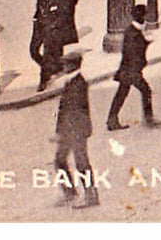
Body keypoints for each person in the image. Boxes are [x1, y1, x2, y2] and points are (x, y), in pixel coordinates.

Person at [55, 51, 99, 208]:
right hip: (68, 130)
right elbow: (64, 110)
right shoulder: (71, 82)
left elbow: (75, 111)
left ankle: (91, 195)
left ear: (72, 65)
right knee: (60, 160)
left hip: (77, 130)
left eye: (65, 64)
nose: (63, 67)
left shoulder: (78, 84)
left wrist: (68, 132)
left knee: (81, 163)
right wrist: (59, 131)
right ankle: (70, 193)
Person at [107, 4, 158, 130]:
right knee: (145, 91)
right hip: (131, 71)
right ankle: (148, 119)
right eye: (144, 15)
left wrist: (146, 42)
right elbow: (132, 52)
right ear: (141, 17)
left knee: (122, 94)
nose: (145, 18)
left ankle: (111, 120)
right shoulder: (133, 33)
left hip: (128, 70)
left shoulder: (133, 31)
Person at [31, 0, 64, 92]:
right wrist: (35, 22)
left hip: (51, 31)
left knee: (46, 54)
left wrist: (54, 27)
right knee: (33, 51)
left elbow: (62, 16)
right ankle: (50, 67)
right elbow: (38, 12)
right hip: (39, 29)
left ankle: (43, 80)